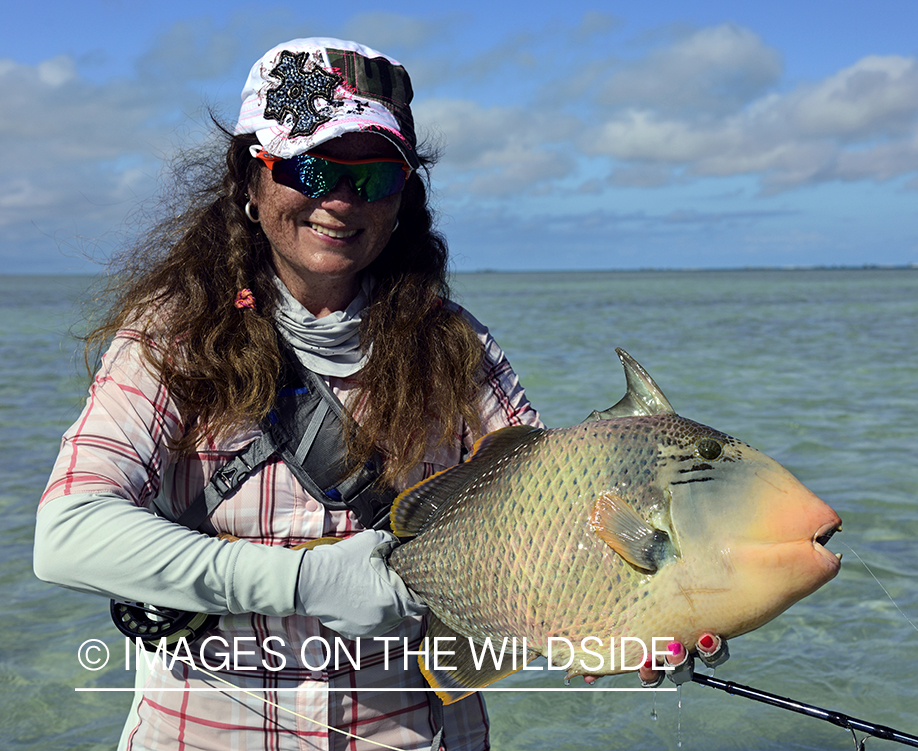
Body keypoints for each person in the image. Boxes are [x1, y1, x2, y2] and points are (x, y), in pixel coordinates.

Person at [34, 36, 711, 751]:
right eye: (310, 165)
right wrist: (303, 580)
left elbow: (549, 529)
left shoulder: (459, 350)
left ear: (402, 198)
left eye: (374, 177)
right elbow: (68, 535)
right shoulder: (172, 336)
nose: (338, 199)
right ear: (249, 176)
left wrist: (650, 611)